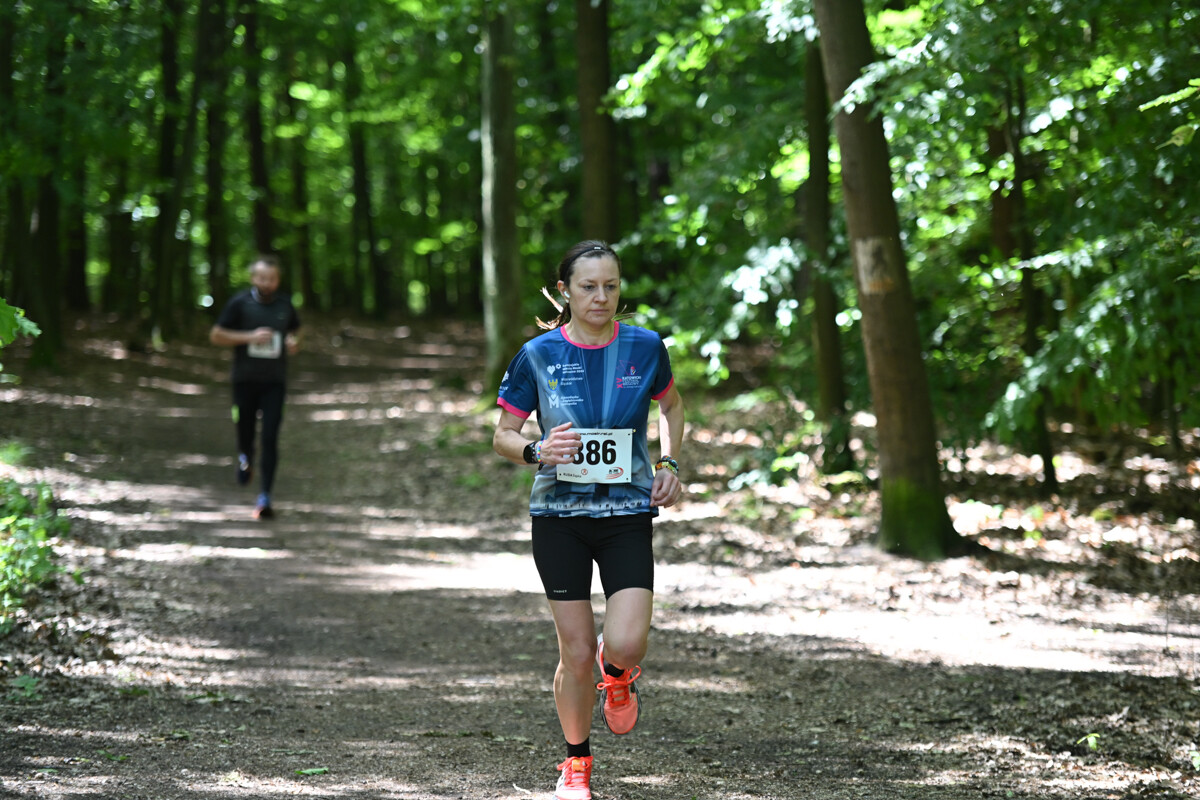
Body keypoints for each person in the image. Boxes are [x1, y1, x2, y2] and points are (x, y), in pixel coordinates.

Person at [493, 240, 685, 800]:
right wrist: (534, 451)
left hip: (626, 511)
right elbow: (502, 433)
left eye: (611, 286)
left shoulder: (646, 347)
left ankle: (618, 675)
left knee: (625, 641)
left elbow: (672, 406)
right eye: (588, 287)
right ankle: (576, 766)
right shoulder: (538, 354)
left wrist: (670, 461)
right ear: (564, 292)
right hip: (559, 516)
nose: (601, 297)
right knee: (573, 651)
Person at [210, 255, 300, 520]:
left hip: (275, 382)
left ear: (278, 279)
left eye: (271, 279)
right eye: (262, 278)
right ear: (253, 278)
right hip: (244, 381)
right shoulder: (240, 303)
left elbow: (297, 331)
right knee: (246, 432)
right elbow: (216, 335)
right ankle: (245, 457)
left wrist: (294, 342)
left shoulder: (285, 304)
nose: (267, 283)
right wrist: (249, 337)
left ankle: (265, 496)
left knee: (270, 437)